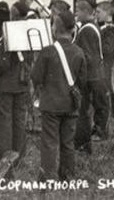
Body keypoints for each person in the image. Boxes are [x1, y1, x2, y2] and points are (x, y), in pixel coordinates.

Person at [31, 10, 86, 181]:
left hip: (51, 104)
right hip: (71, 105)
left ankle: (47, 178)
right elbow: (83, 81)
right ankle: (67, 177)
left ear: (55, 28)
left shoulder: (47, 51)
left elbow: (36, 76)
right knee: (68, 143)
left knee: (49, 142)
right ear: (72, 30)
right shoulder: (79, 51)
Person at [0, 3, 31, 160]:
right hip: (23, 82)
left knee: (5, 121)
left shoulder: (10, 34)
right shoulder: (31, 33)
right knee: (19, 120)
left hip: (6, 84)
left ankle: (4, 158)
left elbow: (3, 64)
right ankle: (19, 156)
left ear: (14, 16)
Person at [74, 0, 108, 152]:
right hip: (95, 74)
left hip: (90, 75)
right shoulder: (91, 26)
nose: (75, 13)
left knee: (86, 108)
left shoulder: (87, 29)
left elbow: (87, 56)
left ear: (84, 11)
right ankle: (95, 133)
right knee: (95, 106)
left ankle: (86, 138)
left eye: (77, 10)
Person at [96, 1, 114, 117]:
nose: (96, 14)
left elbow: (108, 50)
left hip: (107, 68)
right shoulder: (105, 28)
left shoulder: (110, 29)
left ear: (108, 13)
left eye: (99, 12)